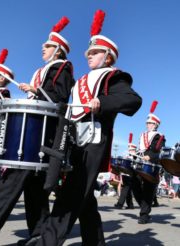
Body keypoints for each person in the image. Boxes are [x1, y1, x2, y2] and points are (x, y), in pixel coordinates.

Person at [0, 17, 74, 246]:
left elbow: (60, 100)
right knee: (34, 187)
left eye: (48, 46)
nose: (43, 48)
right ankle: (39, 234)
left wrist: (36, 90)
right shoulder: (43, 70)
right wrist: (33, 92)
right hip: (33, 132)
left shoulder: (63, 68)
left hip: (40, 134)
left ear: (58, 50)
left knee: (11, 181)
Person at [34, 9, 142, 246]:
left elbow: (133, 100)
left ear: (108, 56)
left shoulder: (113, 77)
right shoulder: (83, 79)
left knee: (71, 193)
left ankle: (47, 242)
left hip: (93, 140)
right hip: (74, 139)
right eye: (88, 52)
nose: (89, 56)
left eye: (94, 52)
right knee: (84, 198)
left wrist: (102, 103)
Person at [132, 100, 165, 224]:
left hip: (152, 164)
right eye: (147, 123)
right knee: (133, 183)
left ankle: (144, 215)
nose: (148, 125)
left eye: (150, 123)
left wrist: (149, 157)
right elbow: (140, 148)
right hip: (139, 162)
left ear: (155, 124)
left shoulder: (159, 136)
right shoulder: (142, 135)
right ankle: (144, 207)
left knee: (148, 189)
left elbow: (157, 150)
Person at [114, 133, 136, 209]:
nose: (130, 150)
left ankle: (119, 204)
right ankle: (130, 205)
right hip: (124, 174)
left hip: (130, 175)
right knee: (128, 190)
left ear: (134, 150)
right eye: (130, 149)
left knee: (125, 189)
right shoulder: (127, 155)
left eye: (132, 150)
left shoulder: (135, 156)